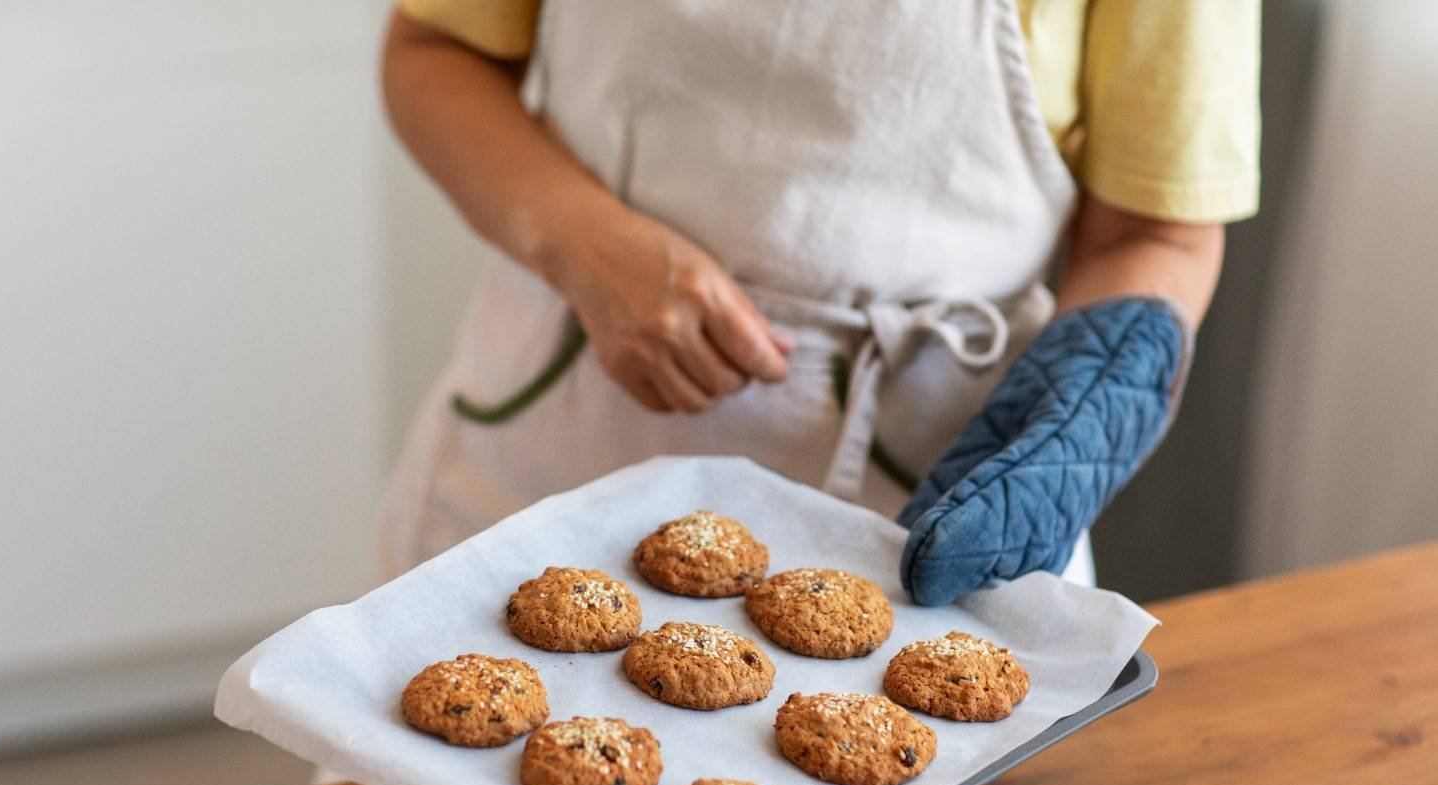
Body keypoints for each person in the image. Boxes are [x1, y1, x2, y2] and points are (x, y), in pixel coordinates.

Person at [377, 0, 1259, 602]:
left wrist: (1078, 431)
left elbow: (1161, 234)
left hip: (932, 500)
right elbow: (434, 52)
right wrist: (579, 242)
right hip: (556, 451)